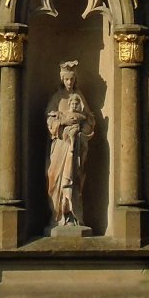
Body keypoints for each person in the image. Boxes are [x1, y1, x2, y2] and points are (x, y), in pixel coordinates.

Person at [45, 60, 95, 228]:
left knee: (74, 178)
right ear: (62, 79)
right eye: (66, 79)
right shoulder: (57, 98)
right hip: (60, 146)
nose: (69, 83)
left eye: (72, 79)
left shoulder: (79, 97)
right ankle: (58, 215)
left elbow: (90, 120)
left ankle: (73, 216)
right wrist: (62, 124)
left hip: (77, 146)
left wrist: (81, 129)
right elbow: (49, 121)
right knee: (55, 177)